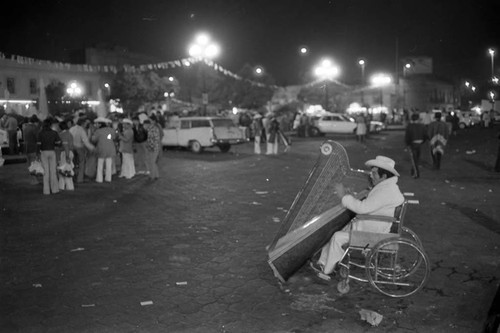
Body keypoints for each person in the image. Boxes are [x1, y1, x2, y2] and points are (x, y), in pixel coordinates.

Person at [311, 156, 405, 278]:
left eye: (374, 173)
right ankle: (323, 262)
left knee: (337, 236)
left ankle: (327, 271)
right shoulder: (387, 188)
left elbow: (362, 208)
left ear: (384, 176)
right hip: (371, 227)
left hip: (373, 233)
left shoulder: (385, 191)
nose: (371, 175)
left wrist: (343, 196)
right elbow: (370, 204)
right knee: (335, 228)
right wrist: (350, 196)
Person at [37, 118, 61, 195]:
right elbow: (59, 143)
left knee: (46, 172)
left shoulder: (40, 133)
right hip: (52, 151)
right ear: (50, 125)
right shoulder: (54, 133)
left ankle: (46, 190)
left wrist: (38, 154)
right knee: (53, 171)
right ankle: (54, 189)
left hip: (43, 152)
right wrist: (54, 144)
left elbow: (38, 145)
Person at [69, 118, 95, 183]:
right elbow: (86, 142)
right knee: (81, 164)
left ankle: (71, 177)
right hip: (79, 148)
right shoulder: (81, 130)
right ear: (83, 123)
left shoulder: (71, 129)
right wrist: (93, 148)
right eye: (85, 123)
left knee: (72, 164)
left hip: (71, 148)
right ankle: (80, 179)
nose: (86, 124)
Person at [92, 117, 117, 183]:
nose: (96, 125)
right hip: (110, 149)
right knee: (109, 164)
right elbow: (113, 137)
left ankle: (99, 179)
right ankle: (108, 178)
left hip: (101, 149)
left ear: (100, 124)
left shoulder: (98, 131)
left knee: (100, 165)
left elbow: (94, 140)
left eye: (96, 124)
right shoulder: (111, 130)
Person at [405, 113, 427, 178]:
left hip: (413, 144)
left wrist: (408, 144)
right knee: (416, 159)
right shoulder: (422, 126)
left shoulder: (410, 126)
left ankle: (416, 173)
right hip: (420, 144)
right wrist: (423, 141)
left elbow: (407, 136)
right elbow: (425, 135)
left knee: (414, 159)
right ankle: (413, 171)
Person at [23, 115, 40, 184]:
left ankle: (32, 179)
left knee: (29, 164)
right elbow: (38, 138)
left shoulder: (25, 128)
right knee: (34, 164)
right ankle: (34, 180)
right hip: (33, 148)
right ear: (35, 122)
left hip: (27, 148)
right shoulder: (34, 128)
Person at [57, 121, 75, 190]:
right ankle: (69, 186)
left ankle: (62, 186)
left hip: (64, 153)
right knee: (67, 169)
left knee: (63, 170)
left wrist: (67, 156)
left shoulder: (62, 135)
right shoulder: (69, 134)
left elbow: (65, 145)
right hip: (70, 152)